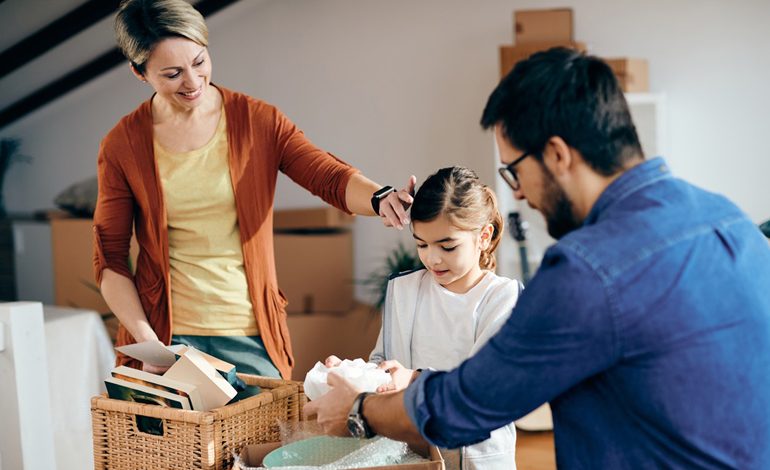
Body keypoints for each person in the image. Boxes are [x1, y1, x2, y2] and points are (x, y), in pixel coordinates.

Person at [305, 47, 770, 468]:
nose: (520, 192)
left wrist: (357, 407)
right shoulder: (730, 221)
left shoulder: (589, 271)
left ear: (557, 154)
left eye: (514, 170)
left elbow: (467, 404)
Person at [93, 0, 415, 384]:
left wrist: (381, 198)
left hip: (251, 336)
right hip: (167, 339)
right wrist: (148, 343)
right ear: (139, 72)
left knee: (262, 445)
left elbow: (327, 176)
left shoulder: (258, 122)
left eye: (199, 62)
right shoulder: (122, 144)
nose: (193, 83)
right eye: (173, 73)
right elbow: (109, 257)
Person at [327, 166, 522, 469]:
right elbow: (383, 361)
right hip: (410, 455)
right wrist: (354, 373)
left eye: (447, 246)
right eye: (421, 244)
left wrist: (415, 378)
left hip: (476, 459)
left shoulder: (502, 298)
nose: (432, 258)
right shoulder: (404, 290)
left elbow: (482, 389)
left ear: (483, 236)